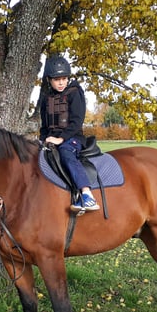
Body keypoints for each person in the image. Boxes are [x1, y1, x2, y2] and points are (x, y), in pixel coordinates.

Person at [39, 55, 100, 212]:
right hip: (52, 139)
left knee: (66, 153)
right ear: (49, 80)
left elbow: (76, 122)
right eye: (56, 79)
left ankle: (87, 195)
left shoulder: (74, 93)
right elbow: (45, 126)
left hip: (72, 138)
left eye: (64, 78)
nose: (61, 82)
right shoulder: (46, 99)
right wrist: (42, 140)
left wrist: (61, 139)